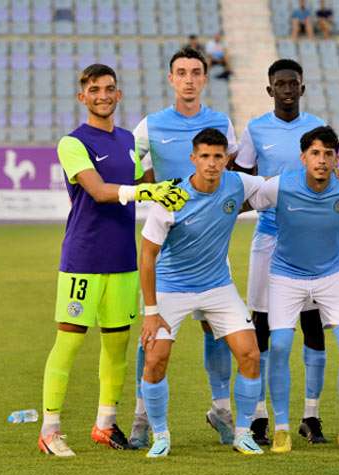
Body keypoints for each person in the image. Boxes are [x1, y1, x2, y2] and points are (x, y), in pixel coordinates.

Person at [39, 64, 188, 457]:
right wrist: (146, 192)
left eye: (109, 89)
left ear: (118, 95)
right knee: (69, 343)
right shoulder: (72, 143)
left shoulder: (125, 140)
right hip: (83, 258)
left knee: (117, 346)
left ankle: (104, 424)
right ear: (82, 97)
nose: (102, 95)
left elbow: (139, 183)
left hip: (123, 259)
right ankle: (49, 429)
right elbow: (101, 191)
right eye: (94, 89)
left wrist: (166, 187)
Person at [130, 47, 239, 450]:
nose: (189, 79)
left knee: (217, 328)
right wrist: (151, 188)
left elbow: (237, 170)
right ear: (171, 79)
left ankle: (221, 410)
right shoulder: (150, 125)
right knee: (153, 330)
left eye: (196, 72)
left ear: (205, 78)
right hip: (165, 242)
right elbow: (129, 169)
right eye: (182, 73)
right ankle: (142, 417)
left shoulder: (221, 123)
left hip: (210, 244)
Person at [138, 128, 265, 458]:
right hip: (172, 287)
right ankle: (161, 436)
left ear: (227, 159)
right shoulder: (174, 196)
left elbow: (279, 189)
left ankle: (243, 434)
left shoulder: (238, 184)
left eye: (218, 156)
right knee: (155, 359)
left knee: (250, 354)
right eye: (205, 157)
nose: (211, 163)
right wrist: (151, 313)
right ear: (193, 159)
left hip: (217, 286)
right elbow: (147, 255)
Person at [252, 126, 339, 453]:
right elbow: (244, 200)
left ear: (337, 159)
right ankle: (280, 428)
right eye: (315, 153)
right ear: (303, 157)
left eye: (328, 154)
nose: (321, 160)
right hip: (286, 275)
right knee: (278, 346)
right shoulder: (279, 187)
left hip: (332, 275)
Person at [234, 59, 329, 447]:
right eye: (280, 84)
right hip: (269, 237)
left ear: (302, 89)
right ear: (270, 89)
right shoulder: (255, 129)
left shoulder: (317, 126)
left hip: (311, 239)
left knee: (312, 326)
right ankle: (259, 417)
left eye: (294, 83)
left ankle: (311, 414)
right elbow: (239, 179)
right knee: (262, 326)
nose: (288, 89)